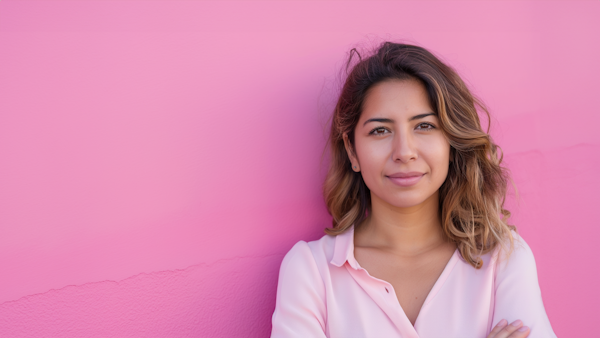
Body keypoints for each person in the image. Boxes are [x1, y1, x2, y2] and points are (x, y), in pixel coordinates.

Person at [270, 42, 556, 338]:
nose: (404, 152)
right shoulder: (311, 271)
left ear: (450, 142)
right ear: (352, 151)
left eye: (425, 126)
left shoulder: (504, 259)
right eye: (380, 130)